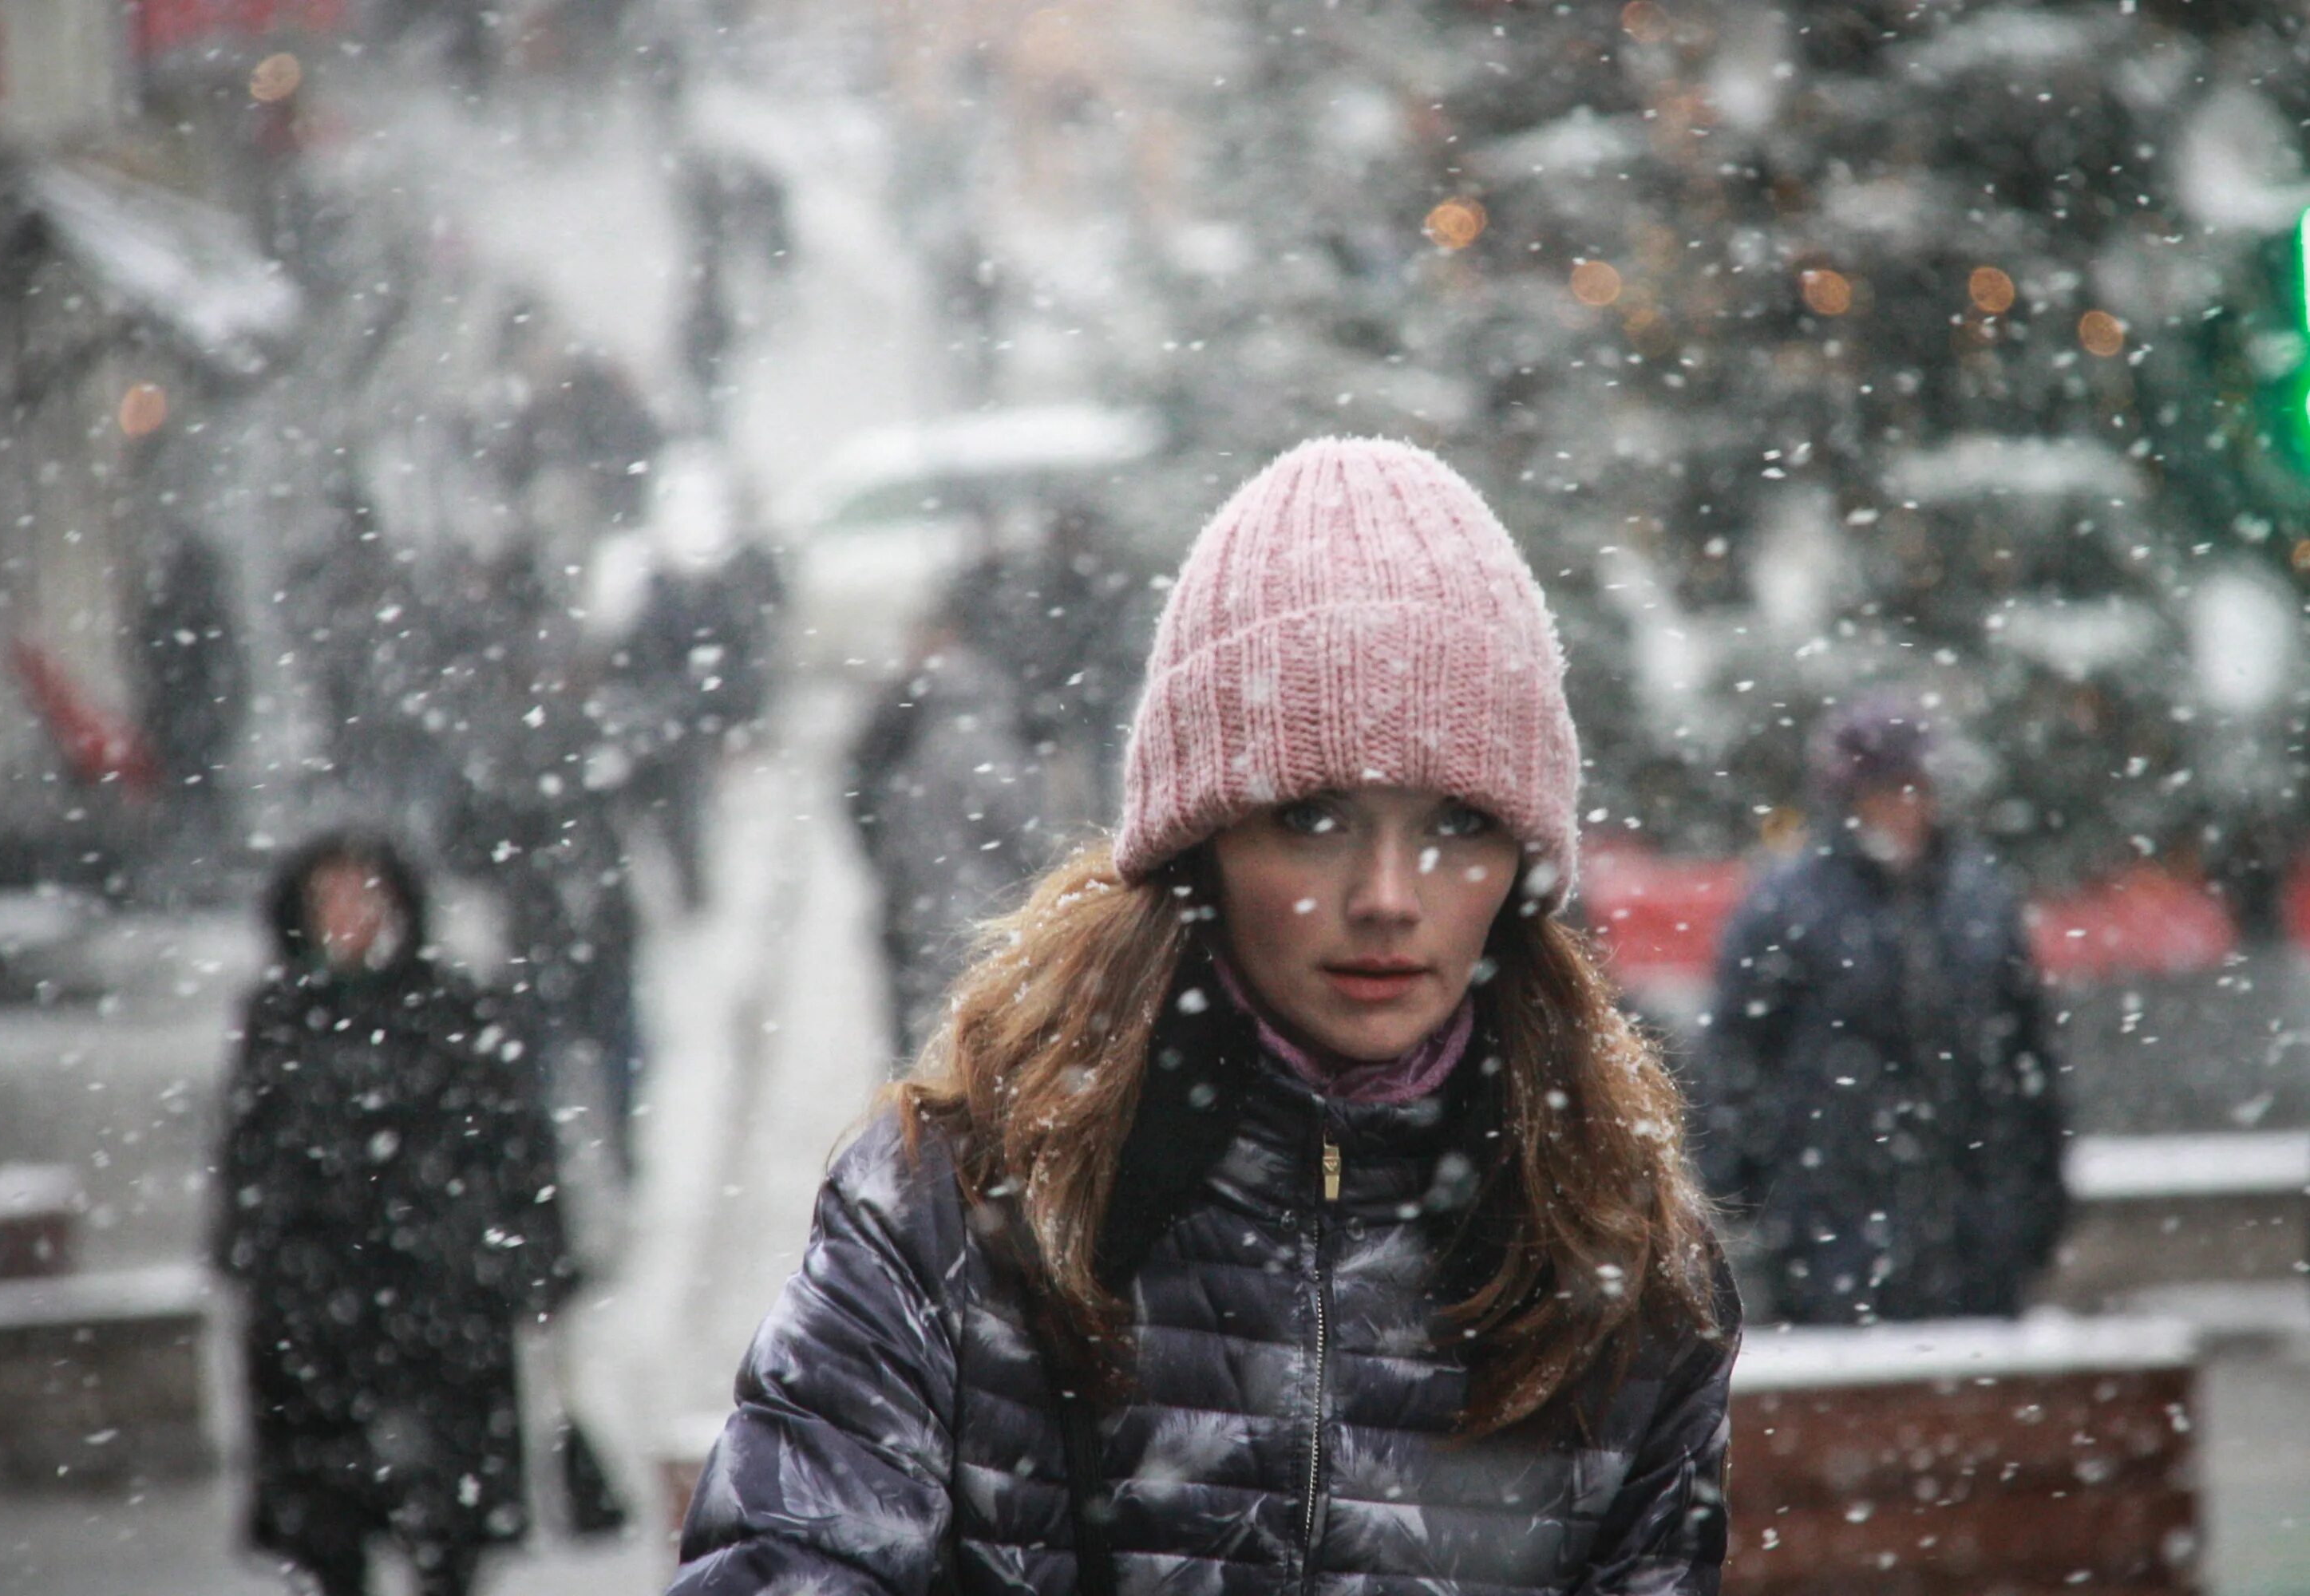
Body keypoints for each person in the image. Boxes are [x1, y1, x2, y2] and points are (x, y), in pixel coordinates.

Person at [678, 438, 1738, 1594]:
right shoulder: (957, 1199)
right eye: (1313, 818)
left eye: (1456, 824)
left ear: (1522, 872)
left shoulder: (1617, 1247)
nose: (1388, 897)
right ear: (1203, 847)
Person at [215, 833, 576, 1596]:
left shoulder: (450, 1007)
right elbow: (250, 1157)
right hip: (319, 1325)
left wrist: (525, 1256)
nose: (349, 915)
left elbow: (514, 1143)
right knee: (330, 1533)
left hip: (441, 1313)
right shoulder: (282, 1019)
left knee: (449, 1532)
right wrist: (267, 1259)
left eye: (365, 894)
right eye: (330, 898)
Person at [1697, 690, 2068, 1324]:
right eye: (1886, 789)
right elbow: (1736, 1065)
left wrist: (2033, 1205)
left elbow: (2027, 1060)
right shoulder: (1785, 909)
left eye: (1917, 786)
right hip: (1830, 1241)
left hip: (1973, 1245)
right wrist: (1751, 1210)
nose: (1906, 806)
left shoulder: (1980, 900)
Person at [845, 571, 1050, 1063]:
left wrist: (889, 861)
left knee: (927, 1041)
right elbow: (1023, 826)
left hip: (925, 903)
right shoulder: (996, 709)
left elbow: (859, 797)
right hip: (982, 907)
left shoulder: (908, 714)